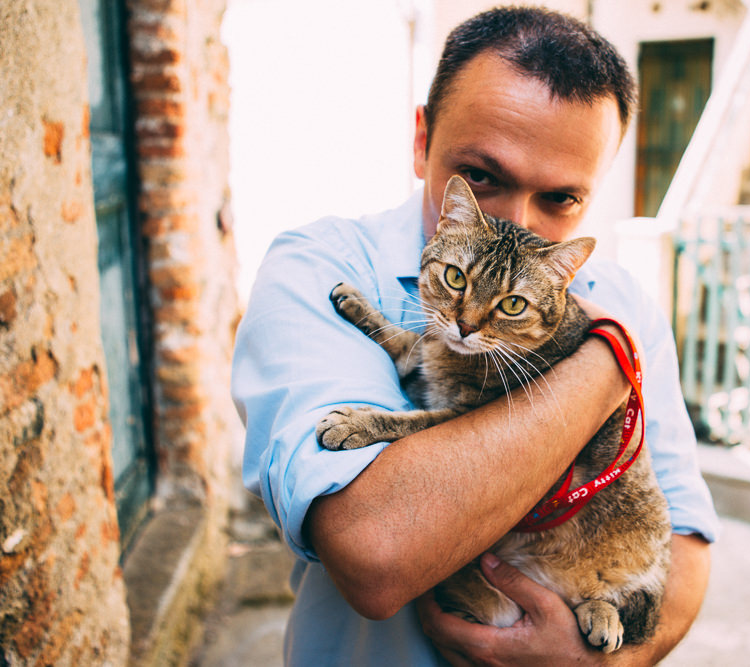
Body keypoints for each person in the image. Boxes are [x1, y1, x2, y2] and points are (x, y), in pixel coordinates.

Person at [232, 6, 719, 665]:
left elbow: (684, 545)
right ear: (420, 139)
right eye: (484, 177)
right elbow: (374, 551)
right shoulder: (317, 269)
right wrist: (605, 365)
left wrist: (609, 662)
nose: (515, 222)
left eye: (561, 200)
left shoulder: (627, 301)